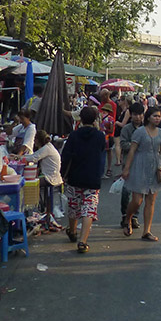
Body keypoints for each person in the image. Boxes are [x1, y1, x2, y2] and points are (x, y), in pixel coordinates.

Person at [122, 107, 161, 240]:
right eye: (155, 116)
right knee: (137, 200)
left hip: (155, 167)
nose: (157, 118)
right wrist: (126, 169)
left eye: (159, 116)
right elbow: (132, 151)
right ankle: (128, 218)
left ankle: (147, 231)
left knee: (151, 201)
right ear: (148, 117)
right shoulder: (140, 132)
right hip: (139, 166)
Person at [61, 106, 106, 253]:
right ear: (95, 119)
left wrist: (62, 174)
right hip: (93, 177)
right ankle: (83, 241)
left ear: (80, 118)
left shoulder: (74, 135)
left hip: (75, 176)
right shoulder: (100, 136)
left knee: (74, 206)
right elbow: (101, 152)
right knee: (89, 209)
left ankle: (72, 231)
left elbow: (66, 156)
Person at [119, 102, 145, 229]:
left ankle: (134, 217)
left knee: (139, 194)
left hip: (142, 165)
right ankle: (125, 215)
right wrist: (136, 146)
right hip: (128, 165)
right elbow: (123, 144)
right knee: (126, 192)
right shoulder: (126, 129)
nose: (138, 117)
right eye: (135, 115)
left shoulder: (146, 128)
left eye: (140, 115)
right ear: (131, 115)